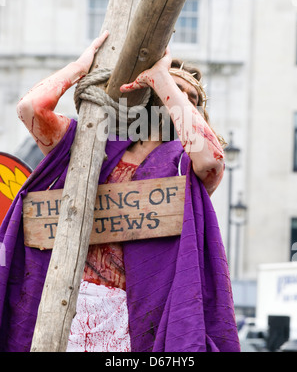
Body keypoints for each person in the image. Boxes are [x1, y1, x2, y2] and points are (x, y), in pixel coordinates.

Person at [0, 31, 240, 352]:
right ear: (148, 96)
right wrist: (80, 67)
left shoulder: (188, 168)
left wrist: (162, 79)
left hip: (137, 319)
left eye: (190, 98)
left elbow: (212, 157)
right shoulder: (89, 141)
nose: (179, 99)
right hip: (63, 304)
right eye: (174, 89)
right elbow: (31, 108)